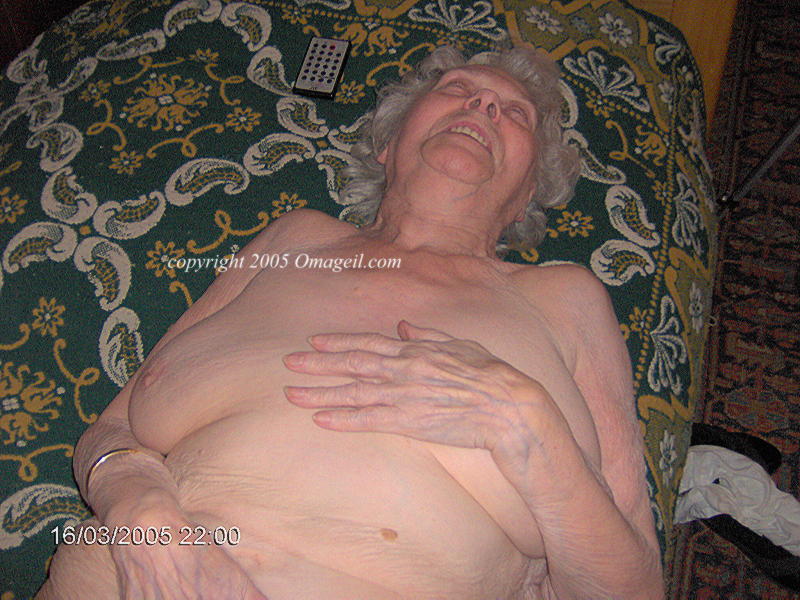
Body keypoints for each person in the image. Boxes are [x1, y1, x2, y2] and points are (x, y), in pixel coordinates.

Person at [37, 45, 664, 599]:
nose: (484, 105)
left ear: (526, 195)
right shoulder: (295, 237)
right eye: (457, 89)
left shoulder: (563, 296)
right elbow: (115, 425)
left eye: (516, 113)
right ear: (388, 145)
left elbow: (632, 587)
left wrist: (523, 421)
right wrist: (139, 508)